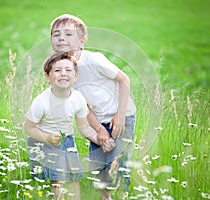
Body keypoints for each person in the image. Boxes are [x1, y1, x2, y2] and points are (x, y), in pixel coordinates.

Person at [49, 14, 136, 200]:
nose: (61, 38)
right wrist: (98, 130)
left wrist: (120, 116)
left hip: (121, 114)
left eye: (68, 34)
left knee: (117, 163)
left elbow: (124, 80)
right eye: (56, 34)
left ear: (81, 42)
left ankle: (122, 195)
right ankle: (105, 197)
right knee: (99, 163)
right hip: (98, 118)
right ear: (52, 42)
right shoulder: (63, 71)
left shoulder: (93, 60)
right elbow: (82, 106)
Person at [24, 51, 115, 200]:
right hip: (44, 142)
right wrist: (46, 137)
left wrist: (101, 140)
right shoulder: (41, 102)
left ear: (76, 76)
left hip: (67, 141)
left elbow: (84, 127)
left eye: (68, 70)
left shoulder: (78, 98)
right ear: (47, 77)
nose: (63, 74)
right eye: (57, 70)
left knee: (74, 176)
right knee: (57, 178)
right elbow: (29, 127)